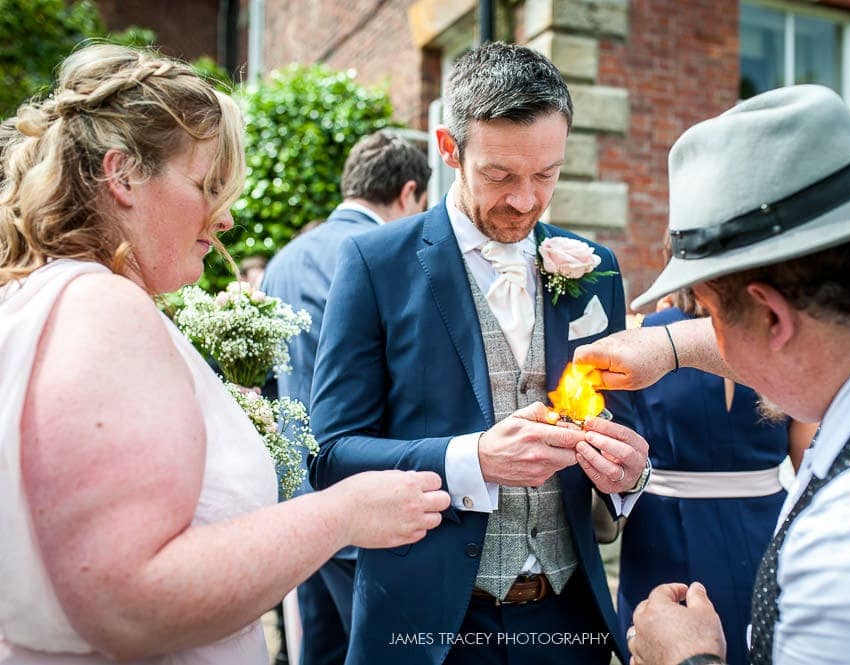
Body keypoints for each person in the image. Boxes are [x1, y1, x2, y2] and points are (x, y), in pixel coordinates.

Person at [0, 43, 450, 665]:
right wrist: (342, 514)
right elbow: (131, 601)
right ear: (122, 174)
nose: (227, 218)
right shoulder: (102, 307)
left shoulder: (36, 293)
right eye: (207, 184)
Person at [575, 84, 850, 665]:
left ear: (773, 314)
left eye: (714, 315)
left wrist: (690, 663)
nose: (713, 337)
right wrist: (672, 345)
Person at [308, 41, 651, 665]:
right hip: (427, 621)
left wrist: (627, 477)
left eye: (546, 174)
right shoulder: (373, 263)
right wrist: (473, 460)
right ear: (449, 149)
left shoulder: (595, 270)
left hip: (568, 619)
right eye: (500, 176)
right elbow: (331, 455)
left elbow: (623, 423)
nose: (525, 200)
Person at [260, 128, 431, 665]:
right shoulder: (389, 258)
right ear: (408, 194)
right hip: (368, 500)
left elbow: (267, 380)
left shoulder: (282, 260)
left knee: (319, 649)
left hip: (298, 501)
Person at [618, 284, 815, 665]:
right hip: (763, 519)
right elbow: (808, 460)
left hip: (664, 523)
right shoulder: (781, 331)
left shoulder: (645, 335)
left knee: (665, 640)